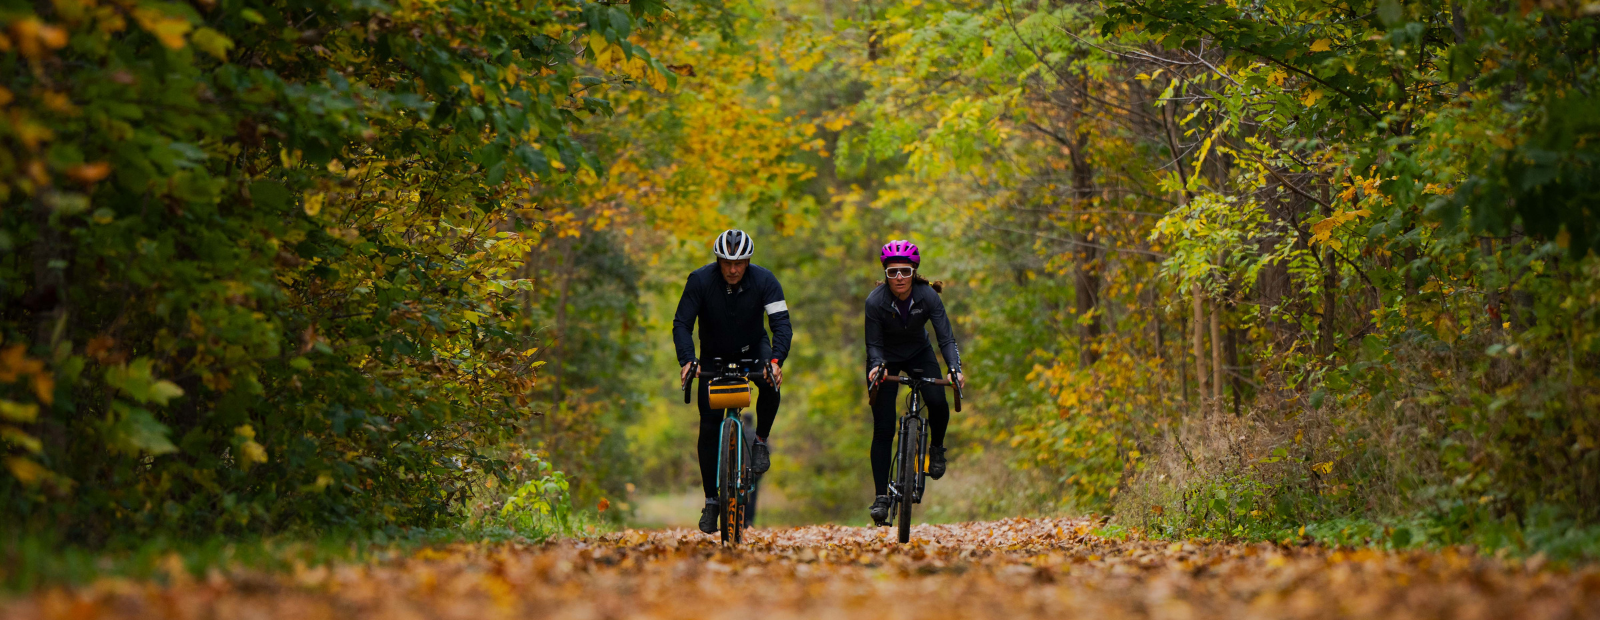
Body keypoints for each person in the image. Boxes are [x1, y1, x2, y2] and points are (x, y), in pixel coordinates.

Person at [673, 229, 791, 535]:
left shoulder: (766, 281)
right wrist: (687, 360)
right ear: (718, 260)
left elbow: (781, 325)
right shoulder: (699, 281)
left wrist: (776, 361)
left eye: (740, 262)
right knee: (709, 426)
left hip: (755, 350)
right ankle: (712, 500)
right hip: (712, 356)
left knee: (770, 380)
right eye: (727, 262)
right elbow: (682, 324)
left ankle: (760, 442)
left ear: (749, 260)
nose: (733, 269)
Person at [863, 239, 965, 526]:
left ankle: (937, 448)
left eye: (905, 271)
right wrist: (875, 367)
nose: (899, 278)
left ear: (914, 272)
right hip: (885, 359)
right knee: (882, 427)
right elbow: (872, 344)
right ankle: (881, 496)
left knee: (937, 401)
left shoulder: (929, 296)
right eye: (893, 271)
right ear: (885, 273)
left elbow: (945, 337)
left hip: (919, 353)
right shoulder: (875, 301)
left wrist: (954, 368)